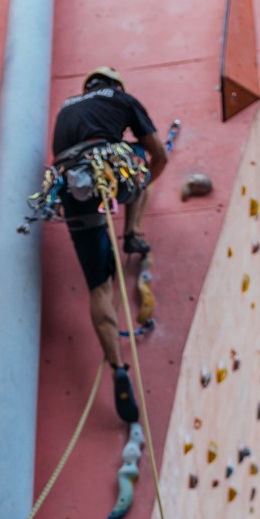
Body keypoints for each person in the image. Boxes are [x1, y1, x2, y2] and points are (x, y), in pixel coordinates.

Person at [50, 67, 168, 423]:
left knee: (100, 287)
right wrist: (146, 182)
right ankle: (131, 233)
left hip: (73, 187)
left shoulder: (66, 107)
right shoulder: (122, 99)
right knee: (142, 171)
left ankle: (117, 367)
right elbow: (158, 154)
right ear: (115, 85)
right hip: (109, 170)